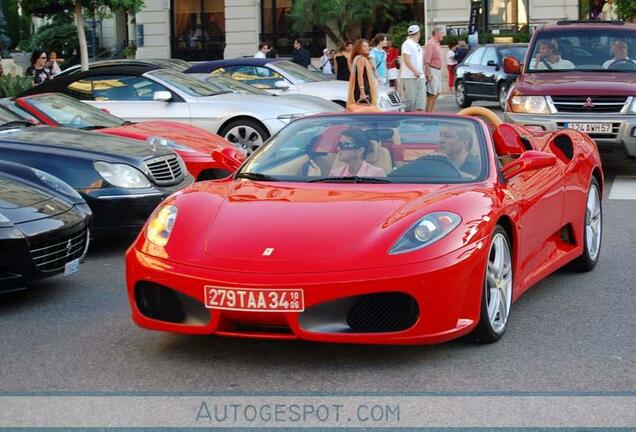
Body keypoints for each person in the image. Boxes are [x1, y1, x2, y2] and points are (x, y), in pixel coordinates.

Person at [400, 24, 426, 112]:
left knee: (420, 103)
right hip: (409, 76)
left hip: (419, 76)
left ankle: (419, 122)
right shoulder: (407, 43)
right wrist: (414, 71)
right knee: (411, 102)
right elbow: (406, 59)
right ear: (418, 33)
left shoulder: (417, 45)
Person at [347, 39, 378, 109]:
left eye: (367, 46)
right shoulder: (361, 58)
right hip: (362, 89)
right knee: (364, 110)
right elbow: (360, 76)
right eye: (364, 46)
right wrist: (362, 92)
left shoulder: (357, 58)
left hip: (361, 87)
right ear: (359, 49)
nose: (367, 48)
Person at [424, 26, 445, 113]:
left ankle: (431, 112)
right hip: (433, 70)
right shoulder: (431, 44)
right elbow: (427, 60)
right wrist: (428, 73)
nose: (443, 35)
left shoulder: (437, 44)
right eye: (442, 33)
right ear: (437, 33)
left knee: (437, 93)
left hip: (438, 70)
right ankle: (428, 114)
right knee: (432, 94)